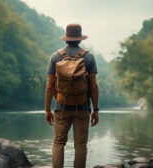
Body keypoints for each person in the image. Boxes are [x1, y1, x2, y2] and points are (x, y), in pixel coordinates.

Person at [45, 23, 99, 168]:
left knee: (58, 143)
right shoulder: (89, 57)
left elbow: (50, 86)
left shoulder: (55, 56)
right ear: (80, 38)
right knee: (80, 145)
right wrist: (96, 110)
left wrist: (47, 110)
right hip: (83, 107)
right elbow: (93, 86)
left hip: (61, 108)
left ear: (66, 38)